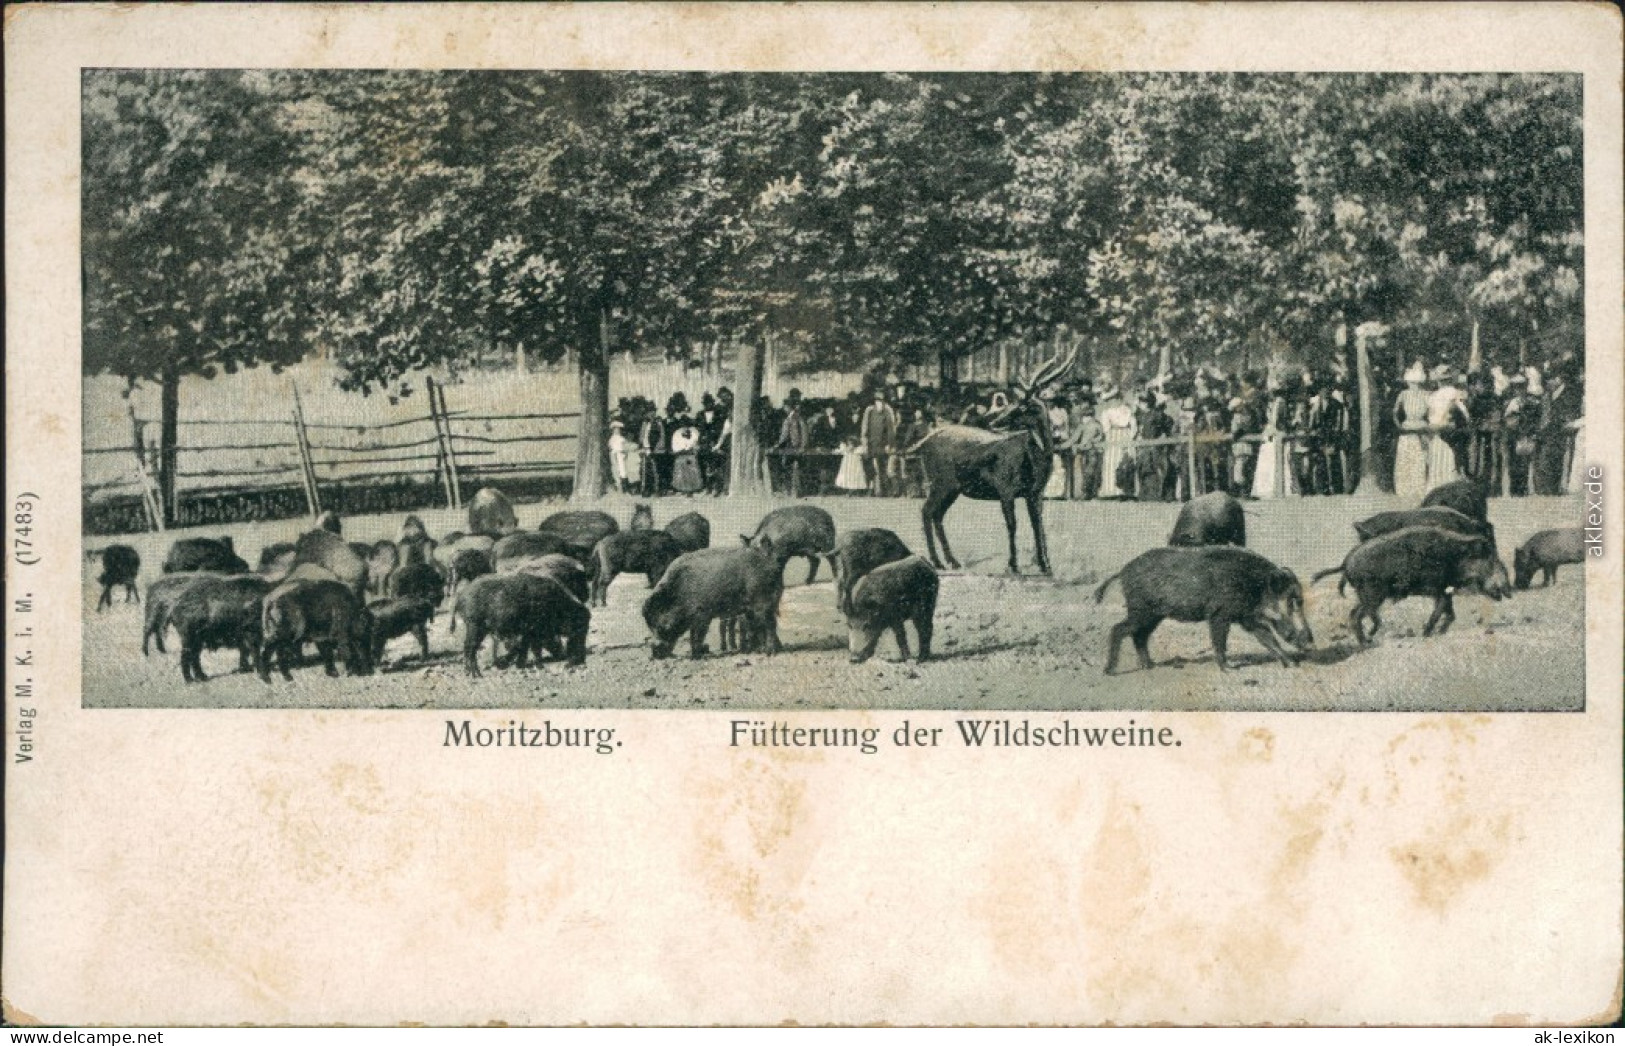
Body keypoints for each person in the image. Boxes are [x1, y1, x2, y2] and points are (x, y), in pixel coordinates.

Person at [1251, 379, 1300, 499]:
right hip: (1274, 431)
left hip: (1275, 431)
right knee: (1271, 459)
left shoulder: (1279, 402)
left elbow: (1277, 421)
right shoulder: (1277, 403)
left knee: (1275, 458)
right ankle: (1271, 489)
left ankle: (1276, 489)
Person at [1392, 362, 1431, 498]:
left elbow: (1432, 411)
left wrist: (1428, 425)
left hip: (1420, 427)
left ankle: (1419, 488)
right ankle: (1405, 489)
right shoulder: (1403, 394)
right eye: (1411, 382)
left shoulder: (1426, 394)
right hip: (1408, 427)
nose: (1413, 385)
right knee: (1406, 460)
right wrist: (1399, 425)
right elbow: (1395, 412)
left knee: (1420, 459)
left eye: (1415, 383)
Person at [1425, 365, 1468, 488]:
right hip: (1449, 429)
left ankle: (1437, 485)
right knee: (1450, 457)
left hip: (1435, 430)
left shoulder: (1433, 396)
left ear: (1439, 381)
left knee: (1437, 456)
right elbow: (1464, 413)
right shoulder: (1456, 393)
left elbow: (1430, 414)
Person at [1098, 390, 1137, 499]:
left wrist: (1131, 436)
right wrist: (1108, 436)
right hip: (1113, 435)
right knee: (1111, 461)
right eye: (1112, 399)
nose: (1114, 401)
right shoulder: (1107, 412)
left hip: (1124, 434)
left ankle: (1125, 490)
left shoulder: (1126, 410)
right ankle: (1112, 490)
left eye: (1115, 398)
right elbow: (1105, 428)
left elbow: (1133, 424)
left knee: (1124, 460)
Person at [860, 388, 898, 497]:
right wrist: (865, 444)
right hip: (873, 445)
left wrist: (889, 444)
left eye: (881, 401)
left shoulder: (888, 410)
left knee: (888, 469)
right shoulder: (869, 411)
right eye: (877, 401)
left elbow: (892, 429)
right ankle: (878, 491)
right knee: (876, 469)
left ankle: (891, 491)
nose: (879, 403)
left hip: (885, 445)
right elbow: (864, 428)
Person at [1065, 400, 1105, 500]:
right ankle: (1085, 493)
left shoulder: (1095, 425)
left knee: (1091, 472)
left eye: (1086, 416)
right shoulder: (1083, 426)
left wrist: (1089, 443)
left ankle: (1090, 493)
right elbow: (1074, 438)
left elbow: (1099, 437)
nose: (1084, 418)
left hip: (1093, 452)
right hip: (1084, 451)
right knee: (1086, 472)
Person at [774, 389, 809, 495]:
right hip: (796, 446)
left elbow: (785, 435)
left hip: (792, 446)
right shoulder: (797, 417)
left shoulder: (793, 419)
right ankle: (794, 490)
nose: (784, 409)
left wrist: (777, 444)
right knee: (795, 468)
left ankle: (791, 490)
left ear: (789, 407)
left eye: (785, 407)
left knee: (788, 467)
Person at [638, 404, 669, 496]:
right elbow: (642, 436)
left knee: (656, 470)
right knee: (644, 470)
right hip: (646, 448)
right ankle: (645, 490)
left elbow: (662, 436)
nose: (651, 414)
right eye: (649, 412)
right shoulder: (644, 423)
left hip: (656, 449)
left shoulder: (658, 423)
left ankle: (657, 489)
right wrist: (643, 447)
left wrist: (657, 448)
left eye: (653, 412)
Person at [608, 418, 638, 495]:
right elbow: (612, 447)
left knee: (623, 470)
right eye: (616, 429)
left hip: (621, 455)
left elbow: (625, 447)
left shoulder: (621, 438)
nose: (617, 430)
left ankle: (624, 488)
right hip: (616, 455)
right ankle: (620, 487)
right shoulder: (613, 438)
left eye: (619, 429)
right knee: (617, 470)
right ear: (613, 430)